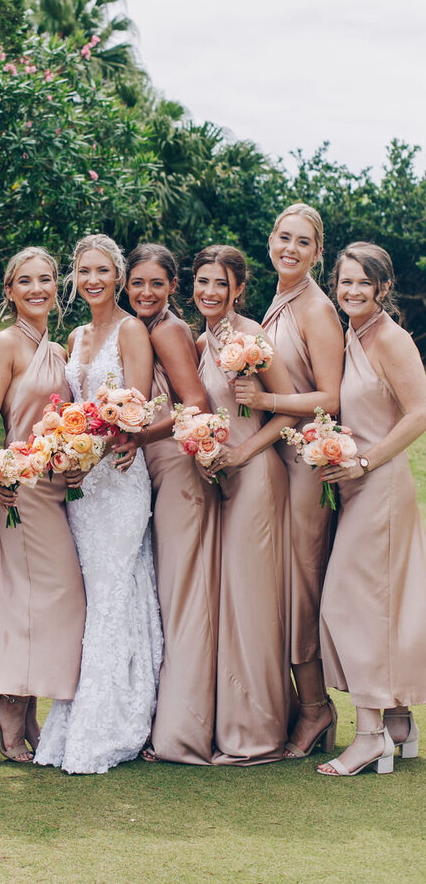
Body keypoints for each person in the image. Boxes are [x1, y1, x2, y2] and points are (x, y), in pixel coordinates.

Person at [34, 234, 162, 775]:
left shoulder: (131, 330)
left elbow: (137, 410)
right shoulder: (76, 334)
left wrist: (101, 450)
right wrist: (67, 451)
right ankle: (83, 715)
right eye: (83, 271)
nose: (92, 280)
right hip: (81, 487)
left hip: (120, 480)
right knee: (95, 597)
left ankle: (108, 725)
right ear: (74, 277)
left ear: (117, 275)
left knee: (114, 591)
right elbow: (73, 409)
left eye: (103, 271)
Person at [233, 204, 344, 758]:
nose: (290, 249)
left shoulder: (318, 309)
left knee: (300, 586)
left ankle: (316, 709)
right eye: (283, 238)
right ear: (269, 239)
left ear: (317, 253)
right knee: (284, 584)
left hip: (308, 468)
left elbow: (330, 397)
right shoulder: (280, 300)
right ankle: (302, 704)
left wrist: (267, 400)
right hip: (281, 461)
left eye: (303, 243)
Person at [317, 243, 426, 776]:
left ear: (382, 287)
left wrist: (364, 461)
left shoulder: (390, 338)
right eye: (345, 283)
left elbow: (420, 412)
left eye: (363, 283)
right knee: (381, 602)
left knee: (349, 602)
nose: (352, 291)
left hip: (380, 485)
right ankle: (400, 721)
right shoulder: (351, 334)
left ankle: (369, 736)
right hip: (358, 485)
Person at [0, 248, 85, 762]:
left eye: (45, 279)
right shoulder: (4, 345)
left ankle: (22, 704)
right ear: (10, 291)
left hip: (57, 486)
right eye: (25, 281)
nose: (36, 289)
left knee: (51, 596)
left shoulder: (60, 350)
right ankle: (12, 705)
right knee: (35, 593)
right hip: (20, 488)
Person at [193, 244, 295, 764]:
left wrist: (241, 453)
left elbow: (286, 413)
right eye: (202, 281)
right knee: (228, 599)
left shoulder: (252, 336)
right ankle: (229, 722)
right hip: (222, 478)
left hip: (256, 475)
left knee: (251, 603)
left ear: (238, 289)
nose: (209, 292)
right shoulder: (200, 340)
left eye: (220, 284)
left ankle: (257, 735)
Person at [123, 243, 219, 765]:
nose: (145, 292)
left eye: (156, 284)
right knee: (167, 595)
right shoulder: (140, 331)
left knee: (182, 597)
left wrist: (138, 437)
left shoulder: (167, 329)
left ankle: (182, 732)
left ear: (171, 288)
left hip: (179, 470)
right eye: (137, 282)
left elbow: (196, 404)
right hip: (153, 473)